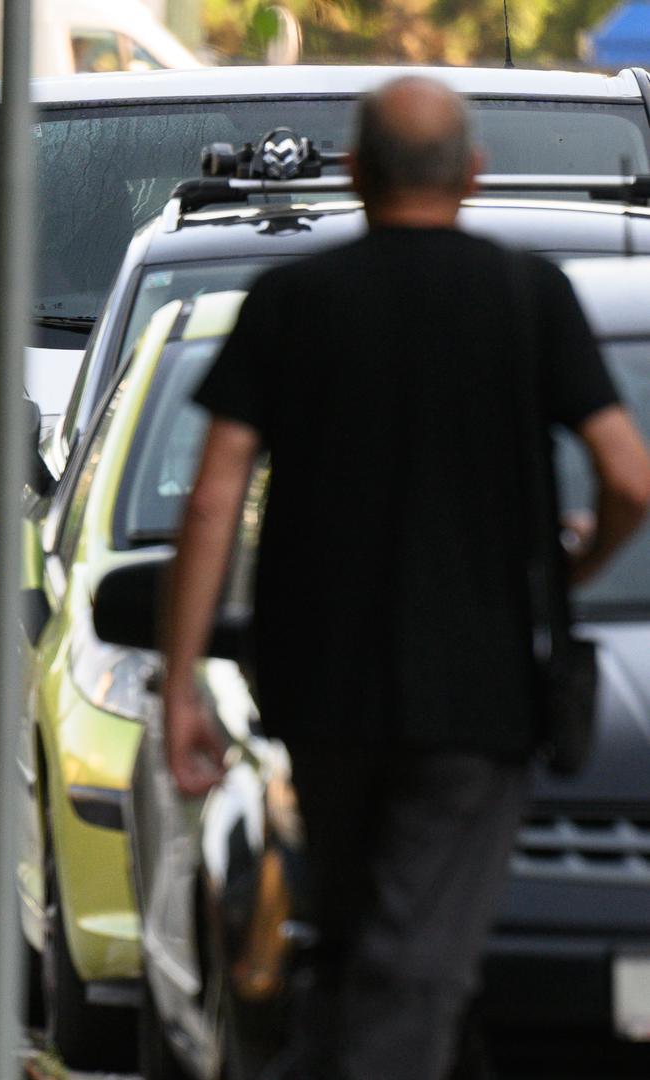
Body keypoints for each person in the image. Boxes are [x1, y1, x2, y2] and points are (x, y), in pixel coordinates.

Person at [161, 76, 650, 1079]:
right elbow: (627, 479)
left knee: (351, 948)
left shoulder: (290, 302)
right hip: (479, 697)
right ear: (468, 176)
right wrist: (570, 567)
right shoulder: (528, 296)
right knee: (411, 963)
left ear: (354, 174)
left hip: (319, 687)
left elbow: (212, 499)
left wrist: (177, 686)